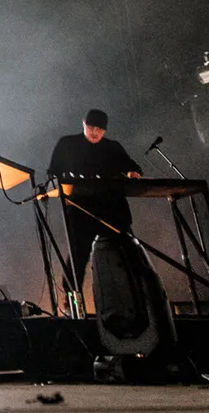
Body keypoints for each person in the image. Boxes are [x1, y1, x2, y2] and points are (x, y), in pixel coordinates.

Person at [47, 108, 141, 297]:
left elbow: (132, 165)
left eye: (99, 129)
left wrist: (132, 172)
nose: (95, 132)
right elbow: (53, 171)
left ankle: (137, 293)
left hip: (112, 208)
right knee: (79, 254)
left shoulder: (112, 147)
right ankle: (72, 297)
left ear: (105, 130)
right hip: (82, 208)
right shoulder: (68, 144)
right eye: (91, 127)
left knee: (129, 250)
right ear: (83, 124)